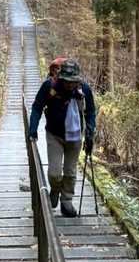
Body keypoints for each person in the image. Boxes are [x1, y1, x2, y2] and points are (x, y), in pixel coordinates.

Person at [28, 58, 96, 217]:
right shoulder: (50, 86)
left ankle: (66, 201)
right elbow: (37, 107)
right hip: (55, 135)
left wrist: (90, 133)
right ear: (61, 77)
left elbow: (91, 112)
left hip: (75, 136)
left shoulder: (84, 90)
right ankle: (55, 190)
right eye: (67, 81)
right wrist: (33, 129)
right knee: (54, 173)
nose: (69, 85)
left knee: (70, 173)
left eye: (73, 82)